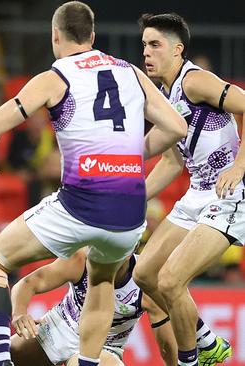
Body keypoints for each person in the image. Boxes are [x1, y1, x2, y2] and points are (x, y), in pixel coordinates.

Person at [0, 2, 187, 366]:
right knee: (102, 280)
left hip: (80, 203)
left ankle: (0, 359)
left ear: (55, 35)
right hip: (130, 216)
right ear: (93, 37)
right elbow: (177, 127)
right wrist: (133, 155)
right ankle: (87, 362)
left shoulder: (57, 76)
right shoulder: (129, 71)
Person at [133, 13, 245, 366]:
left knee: (169, 281)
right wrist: (132, 199)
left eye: (155, 45)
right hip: (197, 193)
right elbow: (170, 162)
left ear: (177, 49)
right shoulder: (162, 98)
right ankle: (208, 341)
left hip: (229, 193)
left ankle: (190, 361)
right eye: (144, 46)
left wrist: (239, 166)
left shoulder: (194, 81)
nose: (147, 53)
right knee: (145, 274)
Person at [0, 250, 178, 366]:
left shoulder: (147, 281)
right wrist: (19, 312)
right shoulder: (80, 259)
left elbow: (167, 346)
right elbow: (29, 283)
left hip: (104, 347)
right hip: (57, 330)